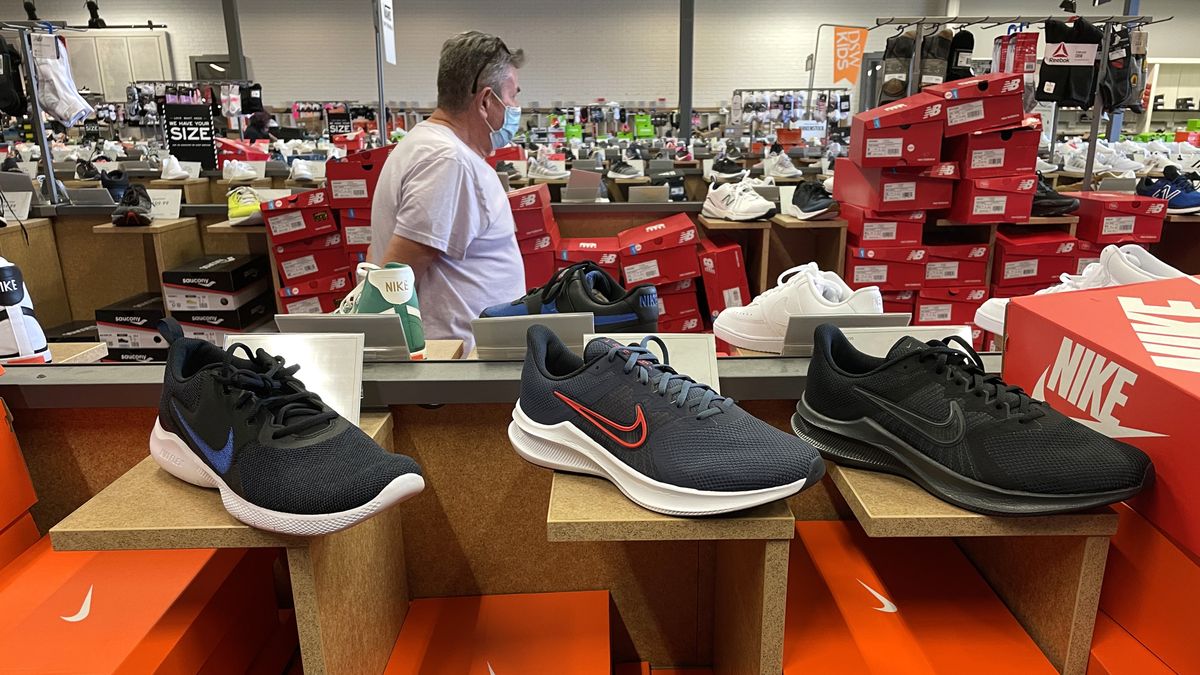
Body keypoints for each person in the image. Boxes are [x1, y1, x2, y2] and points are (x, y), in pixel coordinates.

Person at [369, 31, 526, 353]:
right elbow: (395, 281)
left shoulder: (435, 148)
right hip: (456, 361)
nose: (515, 108)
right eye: (512, 97)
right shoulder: (447, 161)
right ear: (486, 101)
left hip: (465, 356)